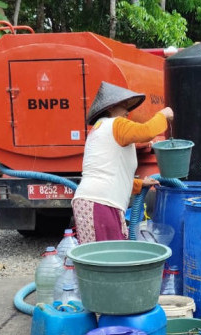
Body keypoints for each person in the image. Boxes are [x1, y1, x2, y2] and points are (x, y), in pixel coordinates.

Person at [72, 82, 173, 243]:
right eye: (124, 106)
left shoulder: (101, 129)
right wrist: (163, 115)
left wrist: (140, 184)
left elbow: (109, 172)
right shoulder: (116, 124)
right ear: (110, 108)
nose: (128, 111)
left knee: (103, 257)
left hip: (94, 201)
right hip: (100, 203)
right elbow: (147, 132)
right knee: (108, 258)